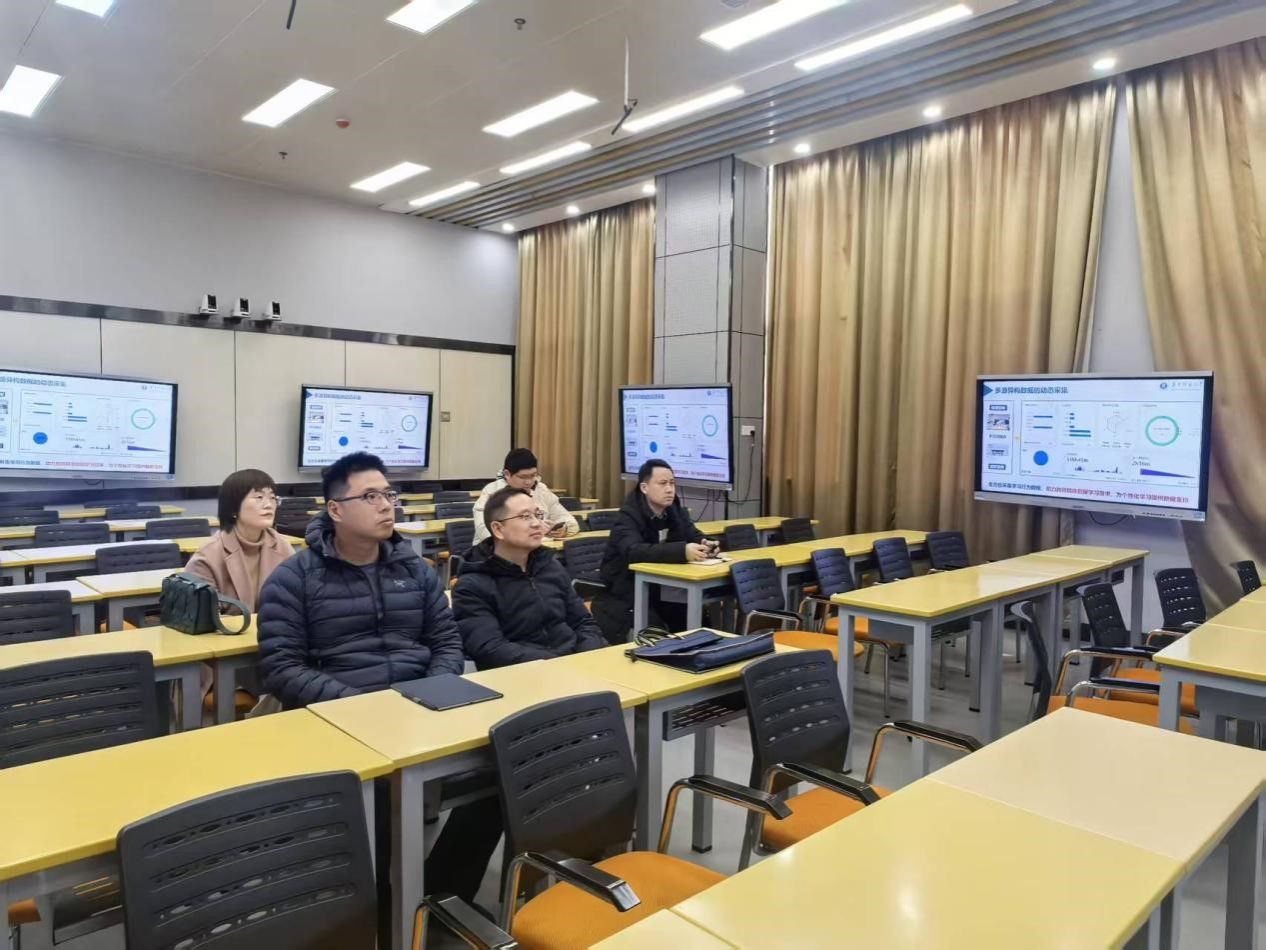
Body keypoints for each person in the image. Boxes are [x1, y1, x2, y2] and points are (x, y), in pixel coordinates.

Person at [424, 486, 607, 903]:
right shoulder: (473, 584)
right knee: (503, 785)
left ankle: (583, 862)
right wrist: (556, 666)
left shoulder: (550, 567)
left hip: (570, 684)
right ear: (498, 529)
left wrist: (587, 657)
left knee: (601, 757)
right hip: (515, 696)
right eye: (525, 517)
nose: (538, 523)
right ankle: (447, 894)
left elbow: (584, 623)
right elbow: (489, 649)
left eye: (539, 515)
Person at [257, 451, 464, 708]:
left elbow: (447, 642)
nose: (386, 505)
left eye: (388, 495)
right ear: (335, 510)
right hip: (338, 711)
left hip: (420, 704)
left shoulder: (416, 570)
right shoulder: (292, 579)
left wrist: (429, 692)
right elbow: (282, 668)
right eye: (370, 497)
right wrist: (359, 706)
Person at [590, 458, 717, 644]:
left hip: (665, 588)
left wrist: (707, 544)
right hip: (628, 591)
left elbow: (693, 534)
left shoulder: (675, 510)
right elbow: (634, 551)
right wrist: (682, 551)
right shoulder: (627, 516)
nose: (669, 489)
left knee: (699, 620)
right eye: (662, 483)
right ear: (644, 487)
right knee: (658, 633)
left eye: (672, 483)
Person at [186, 468, 294, 611]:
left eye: (272, 498)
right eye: (259, 497)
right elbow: (202, 615)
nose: (268, 505)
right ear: (234, 507)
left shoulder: (282, 547)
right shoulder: (207, 557)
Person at [471, 447, 578, 545]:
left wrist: (563, 529)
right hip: (495, 553)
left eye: (533, 475)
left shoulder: (541, 490)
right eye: (523, 477)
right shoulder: (492, 492)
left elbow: (570, 522)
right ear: (507, 474)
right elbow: (484, 531)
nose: (529, 482)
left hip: (536, 551)